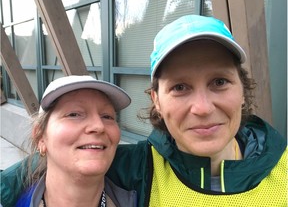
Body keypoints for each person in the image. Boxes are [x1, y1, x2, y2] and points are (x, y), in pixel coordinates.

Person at [1, 15, 287, 207]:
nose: (202, 107)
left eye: (220, 82)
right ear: (157, 101)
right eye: (180, 87)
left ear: (242, 90)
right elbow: (54, 164)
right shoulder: (138, 167)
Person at [3, 75, 137, 207]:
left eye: (107, 116)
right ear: (40, 137)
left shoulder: (145, 199)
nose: (99, 126)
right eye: (74, 114)